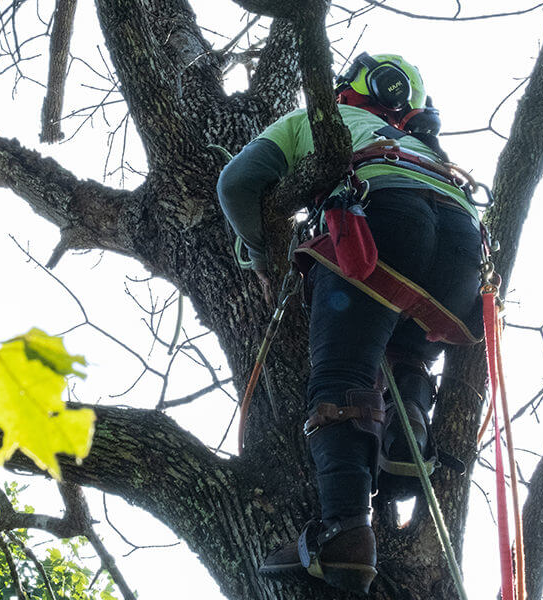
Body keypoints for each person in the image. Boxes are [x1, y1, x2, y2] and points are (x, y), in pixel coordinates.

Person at [216, 53, 485, 594]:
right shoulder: (425, 149)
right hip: (462, 247)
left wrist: (260, 253)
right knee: (407, 340)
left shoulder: (320, 119)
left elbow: (238, 183)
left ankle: (344, 533)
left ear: (346, 88)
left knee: (343, 373)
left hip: (380, 221)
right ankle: (407, 427)